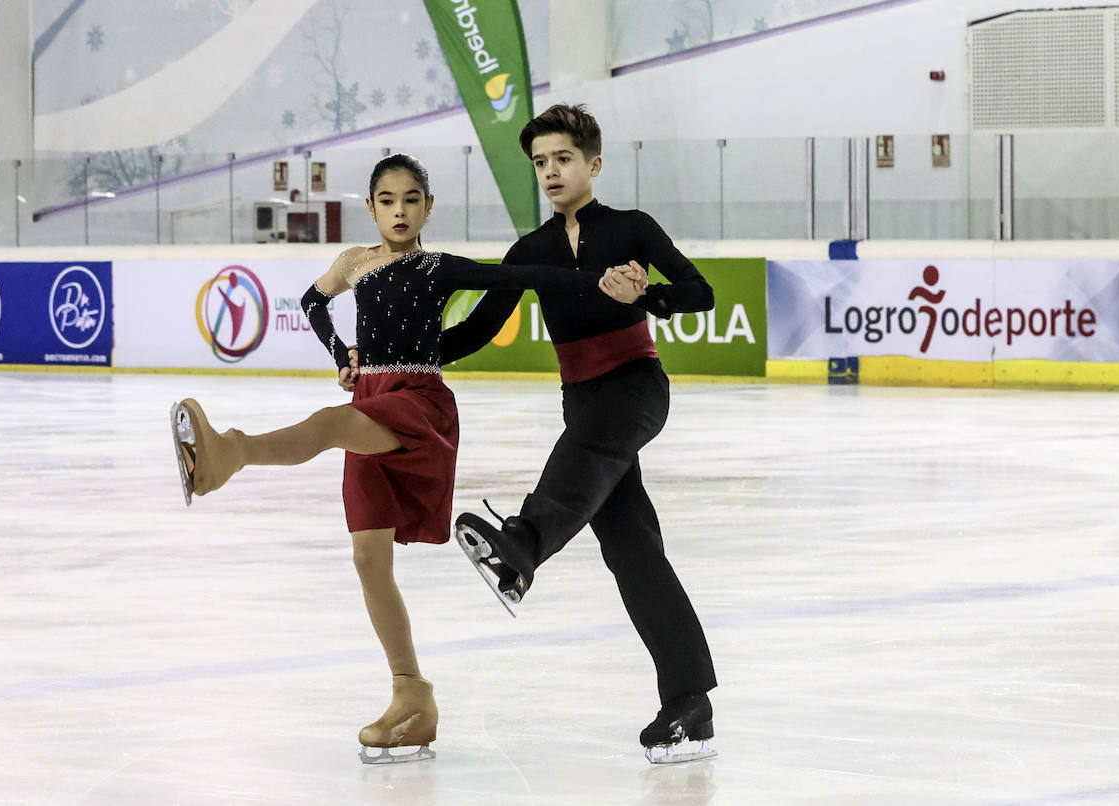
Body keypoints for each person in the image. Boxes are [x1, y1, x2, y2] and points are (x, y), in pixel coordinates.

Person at [168, 153, 641, 765]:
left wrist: (597, 280)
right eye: (387, 200)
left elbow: (519, 279)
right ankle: (411, 696)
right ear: (370, 207)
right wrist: (342, 355)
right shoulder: (354, 264)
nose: (399, 210)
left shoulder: (438, 267)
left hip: (418, 404)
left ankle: (228, 452)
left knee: (331, 425)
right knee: (368, 558)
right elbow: (314, 304)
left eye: (412, 199)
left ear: (427, 207)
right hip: (372, 396)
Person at [441, 104, 719, 763]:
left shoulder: (631, 228)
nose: (550, 171)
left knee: (587, 450)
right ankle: (690, 704)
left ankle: (524, 544)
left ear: (592, 164)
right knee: (632, 552)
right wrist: (401, 356)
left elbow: (699, 291)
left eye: (562, 158)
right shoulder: (529, 251)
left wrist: (649, 298)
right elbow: (476, 331)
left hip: (636, 386)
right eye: (540, 162)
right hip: (583, 397)